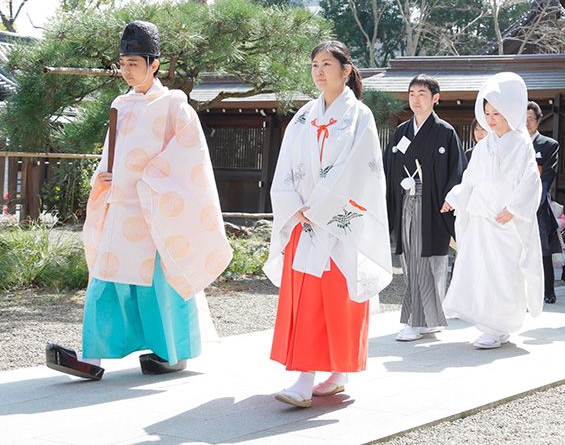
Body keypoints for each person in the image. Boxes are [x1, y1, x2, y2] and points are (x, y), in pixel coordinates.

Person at [46, 21, 233, 381]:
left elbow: (189, 158)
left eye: (133, 63)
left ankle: (171, 352)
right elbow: (111, 155)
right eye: (123, 63)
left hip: (156, 210)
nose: (126, 70)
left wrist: (148, 182)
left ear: (154, 64)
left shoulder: (175, 106)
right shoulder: (120, 104)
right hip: (120, 205)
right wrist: (102, 177)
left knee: (159, 285)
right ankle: (91, 356)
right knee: (105, 279)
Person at [265, 40, 392, 408]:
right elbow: (285, 166)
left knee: (337, 302)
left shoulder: (360, 116)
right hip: (304, 221)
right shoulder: (304, 116)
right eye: (314, 64)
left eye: (326, 64)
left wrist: (321, 206)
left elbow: (362, 170)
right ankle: (305, 376)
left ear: (346, 70)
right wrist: (294, 205)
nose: (319, 71)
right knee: (306, 299)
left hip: (340, 225)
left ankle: (336, 372)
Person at [441, 72, 543, 348]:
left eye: (497, 113)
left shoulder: (521, 143)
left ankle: (502, 324)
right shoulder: (484, 146)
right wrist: (455, 198)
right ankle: (490, 324)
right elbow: (470, 179)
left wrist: (513, 209)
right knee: (483, 271)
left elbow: (531, 180)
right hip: (482, 219)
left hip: (506, 221)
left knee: (505, 272)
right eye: (487, 113)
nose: (491, 118)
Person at [384, 74, 465, 342]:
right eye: (412, 94)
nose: (415, 100)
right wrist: (398, 186)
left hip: (433, 206)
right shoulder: (402, 131)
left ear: (435, 99)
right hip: (406, 202)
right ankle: (425, 319)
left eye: (422, 94)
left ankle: (419, 321)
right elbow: (389, 167)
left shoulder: (445, 132)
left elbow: (457, 171)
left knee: (428, 260)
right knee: (411, 259)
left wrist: (451, 198)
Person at [526, 101, 561, 304]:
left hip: (538, 202)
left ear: (538, 120)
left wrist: (536, 200)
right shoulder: (514, 143)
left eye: (531, 119)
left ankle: (549, 290)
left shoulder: (549, 145)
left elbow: (548, 174)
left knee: (542, 247)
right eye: (523, 119)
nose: (527, 123)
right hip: (514, 201)